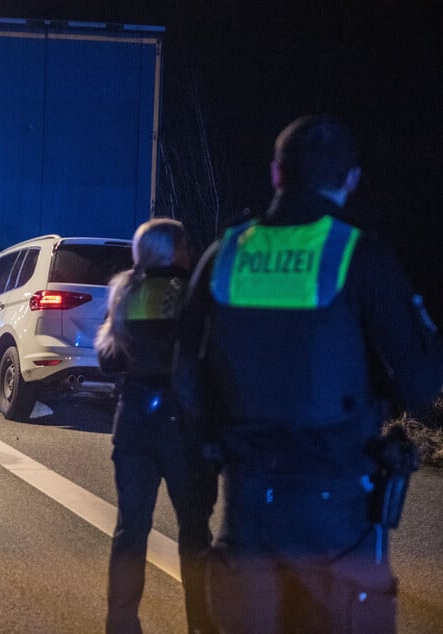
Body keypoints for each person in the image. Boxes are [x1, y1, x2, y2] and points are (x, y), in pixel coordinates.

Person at [174, 115, 443, 633]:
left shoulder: (224, 254)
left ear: (277, 175)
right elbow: (422, 383)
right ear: (351, 179)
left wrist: (214, 442)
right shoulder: (358, 254)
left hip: (248, 510)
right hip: (336, 519)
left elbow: (186, 377)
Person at [95, 219, 216, 634]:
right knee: (195, 532)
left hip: (133, 423)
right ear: (176, 249)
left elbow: (108, 361)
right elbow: (209, 357)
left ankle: (121, 623)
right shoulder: (194, 292)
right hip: (184, 424)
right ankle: (201, 623)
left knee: (131, 529)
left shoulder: (125, 291)